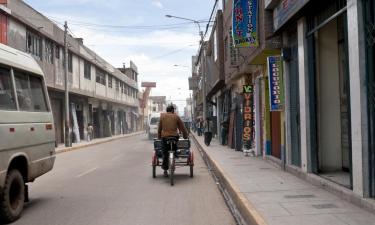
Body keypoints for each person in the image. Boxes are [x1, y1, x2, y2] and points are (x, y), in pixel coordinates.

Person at [158, 104, 188, 177]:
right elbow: (182, 127)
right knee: (174, 149)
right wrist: (185, 135)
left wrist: (159, 137)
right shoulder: (176, 116)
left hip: (165, 137)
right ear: (172, 110)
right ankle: (174, 155)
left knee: (165, 152)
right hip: (174, 137)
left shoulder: (162, 116)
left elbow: (159, 128)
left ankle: (165, 169)